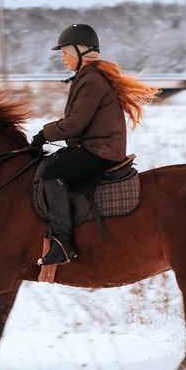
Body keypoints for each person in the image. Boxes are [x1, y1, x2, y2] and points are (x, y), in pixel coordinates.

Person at [31, 23, 159, 265]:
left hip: (100, 152)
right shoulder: (89, 77)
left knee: (51, 172)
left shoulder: (91, 80)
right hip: (95, 148)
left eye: (65, 53)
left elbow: (75, 124)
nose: (63, 59)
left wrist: (44, 134)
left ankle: (62, 243)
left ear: (80, 52)